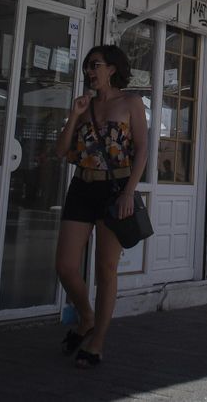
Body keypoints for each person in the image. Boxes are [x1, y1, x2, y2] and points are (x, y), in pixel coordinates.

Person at [53, 44, 148, 369]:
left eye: (95, 65)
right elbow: (62, 151)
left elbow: (143, 151)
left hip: (115, 189)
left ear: (112, 68)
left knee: (105, 270)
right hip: (82, 186)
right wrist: (75, 115)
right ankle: (87, 316)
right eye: (87, 68)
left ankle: (96, 343)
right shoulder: (85, 105)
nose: (90, 72)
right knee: (65, 266)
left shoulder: (131, 102)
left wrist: (128, 193)